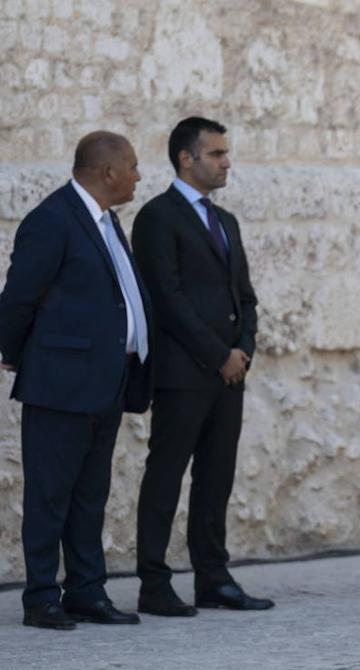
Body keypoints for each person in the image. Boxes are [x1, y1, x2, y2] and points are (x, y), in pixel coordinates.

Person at [0, 131, 152, 629]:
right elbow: (19, 296)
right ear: (107, 171)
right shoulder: (52, 219)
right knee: (50, 494)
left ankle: (86, 590)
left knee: (90, 494)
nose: (138, 174)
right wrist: (16, 354)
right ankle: (42, 597)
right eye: (131, 165)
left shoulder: (106, 222)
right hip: (60, 383)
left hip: (106, 380)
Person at [130, 117, 270, 615]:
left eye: (225, 153)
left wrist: (243, 350)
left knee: (216, 478)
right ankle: (153, 582)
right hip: (183, 374)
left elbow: (244, 297)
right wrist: (218, 355)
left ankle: (213, 577)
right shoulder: (156, 218)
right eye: (215, 154)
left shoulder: (225, 221)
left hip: (229, 376)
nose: (226, 161)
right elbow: (166, 299)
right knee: (166, 476)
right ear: (186, 158)